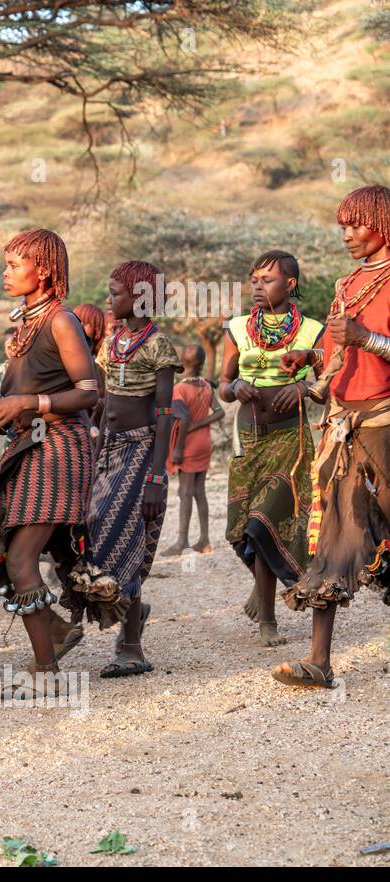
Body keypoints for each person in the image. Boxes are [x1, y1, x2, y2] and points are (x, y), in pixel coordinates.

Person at [0, 228, 116, 691]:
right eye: (6, 264)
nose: (6, 272)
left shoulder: (61, 321)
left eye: (15, 264)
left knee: (20, 560)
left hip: (57, 450)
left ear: (44, 271)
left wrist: (27, 403)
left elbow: (89, 392)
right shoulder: (27, 325)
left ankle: (47, 672)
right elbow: (23, 399)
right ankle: (57, 632)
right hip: (27, 448)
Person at [275, 185, 390, 688]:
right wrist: (312, 357)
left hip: (384, 422)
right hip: (344, 424)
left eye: (357, 224)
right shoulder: (348, 284)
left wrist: (367, 338)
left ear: (383, 224)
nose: (347, 235)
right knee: (335, 532)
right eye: (342, 226)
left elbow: (365, 343)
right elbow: (338, 351)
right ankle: (318, 661)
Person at [219, 250, 323, 647]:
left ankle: (268, 620)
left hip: (290, 438)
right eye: (254, 280)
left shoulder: (312, 331)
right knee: (244, 528)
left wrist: (302, 388)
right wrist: (235, 387)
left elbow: (328, 382)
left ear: (290, 284)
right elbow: (222, 386)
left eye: (268, 280)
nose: (258, 286)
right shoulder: (237, 328)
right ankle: (263, 591)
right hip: (247, 438)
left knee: (262, 521)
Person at [88, 260, 183, 677]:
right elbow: (105, 403)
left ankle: (131, 647)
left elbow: (164, 414)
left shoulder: (159, 347)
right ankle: (133, 612)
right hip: (110, 450)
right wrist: (94, 452)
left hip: (142, 452)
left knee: (128, 540)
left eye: (116, 293)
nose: (109, 300)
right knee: (95, 532)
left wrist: (157, 477)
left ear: (141, 297)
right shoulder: (112, 343)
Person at [161, 343, 224, 556]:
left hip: (187, 444)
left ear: (182, 362)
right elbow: (219, 411)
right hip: (204, 443)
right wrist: (201, 424)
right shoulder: (206, 385)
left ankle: (182, 542)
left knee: (185, 492)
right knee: (200, 491)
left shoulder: (179, 389)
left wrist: (178, 449)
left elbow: (184, 418)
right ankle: (204, 540)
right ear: (202, 364)